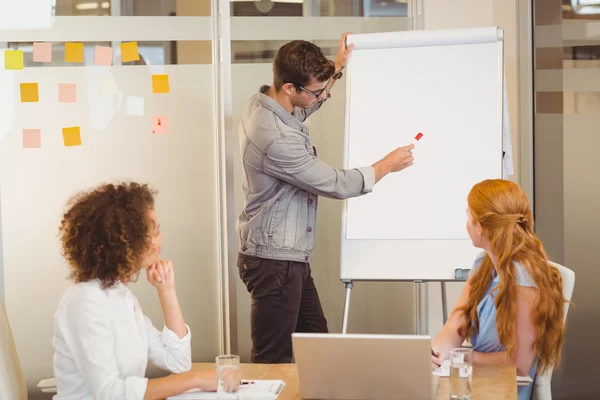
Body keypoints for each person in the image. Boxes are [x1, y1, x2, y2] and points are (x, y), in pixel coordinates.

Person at [237, 33, 416, 364]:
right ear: (290, 87)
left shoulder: (266, 102)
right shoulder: (275, 137)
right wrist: (386, 166)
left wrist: (335, 68)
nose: (323, 97)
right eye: (317, 92)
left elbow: (301, 110)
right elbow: (334, 183)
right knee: (272, 361)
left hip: (288, 260)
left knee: (317, 351)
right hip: (275, 263)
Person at [52, 182, 238, 400]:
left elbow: (178, 361)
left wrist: (166, 291)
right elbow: (109, 393)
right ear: (129, 242)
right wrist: (194, 380)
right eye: (156, 231)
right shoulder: (85, 302)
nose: (162, 238)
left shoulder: (120, 294)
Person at [431, 179, 567, 400]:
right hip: (477, 384)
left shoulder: (525, 278)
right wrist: (436, 354)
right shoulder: (482, 265)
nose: (466, 224)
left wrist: (464, 357)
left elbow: (519, 365)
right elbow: (455, 325)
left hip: (504, 391)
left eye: (468, 216)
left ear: (480, 226)